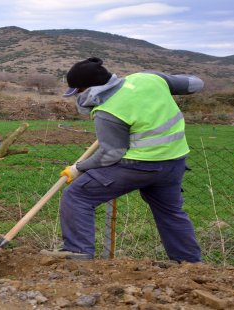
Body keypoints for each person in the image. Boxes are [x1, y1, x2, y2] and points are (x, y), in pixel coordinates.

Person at [43, 57, 203, 263]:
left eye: (78, 91)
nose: (78, 97)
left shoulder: (107, 111)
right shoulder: (148, 78)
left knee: (78, 196)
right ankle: (189, 262)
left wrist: (78, 168)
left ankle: (78, 253)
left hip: (137, 166)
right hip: (173, 162)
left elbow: (111, 154)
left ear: (88, 88)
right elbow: (196, 84)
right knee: (170, 211)